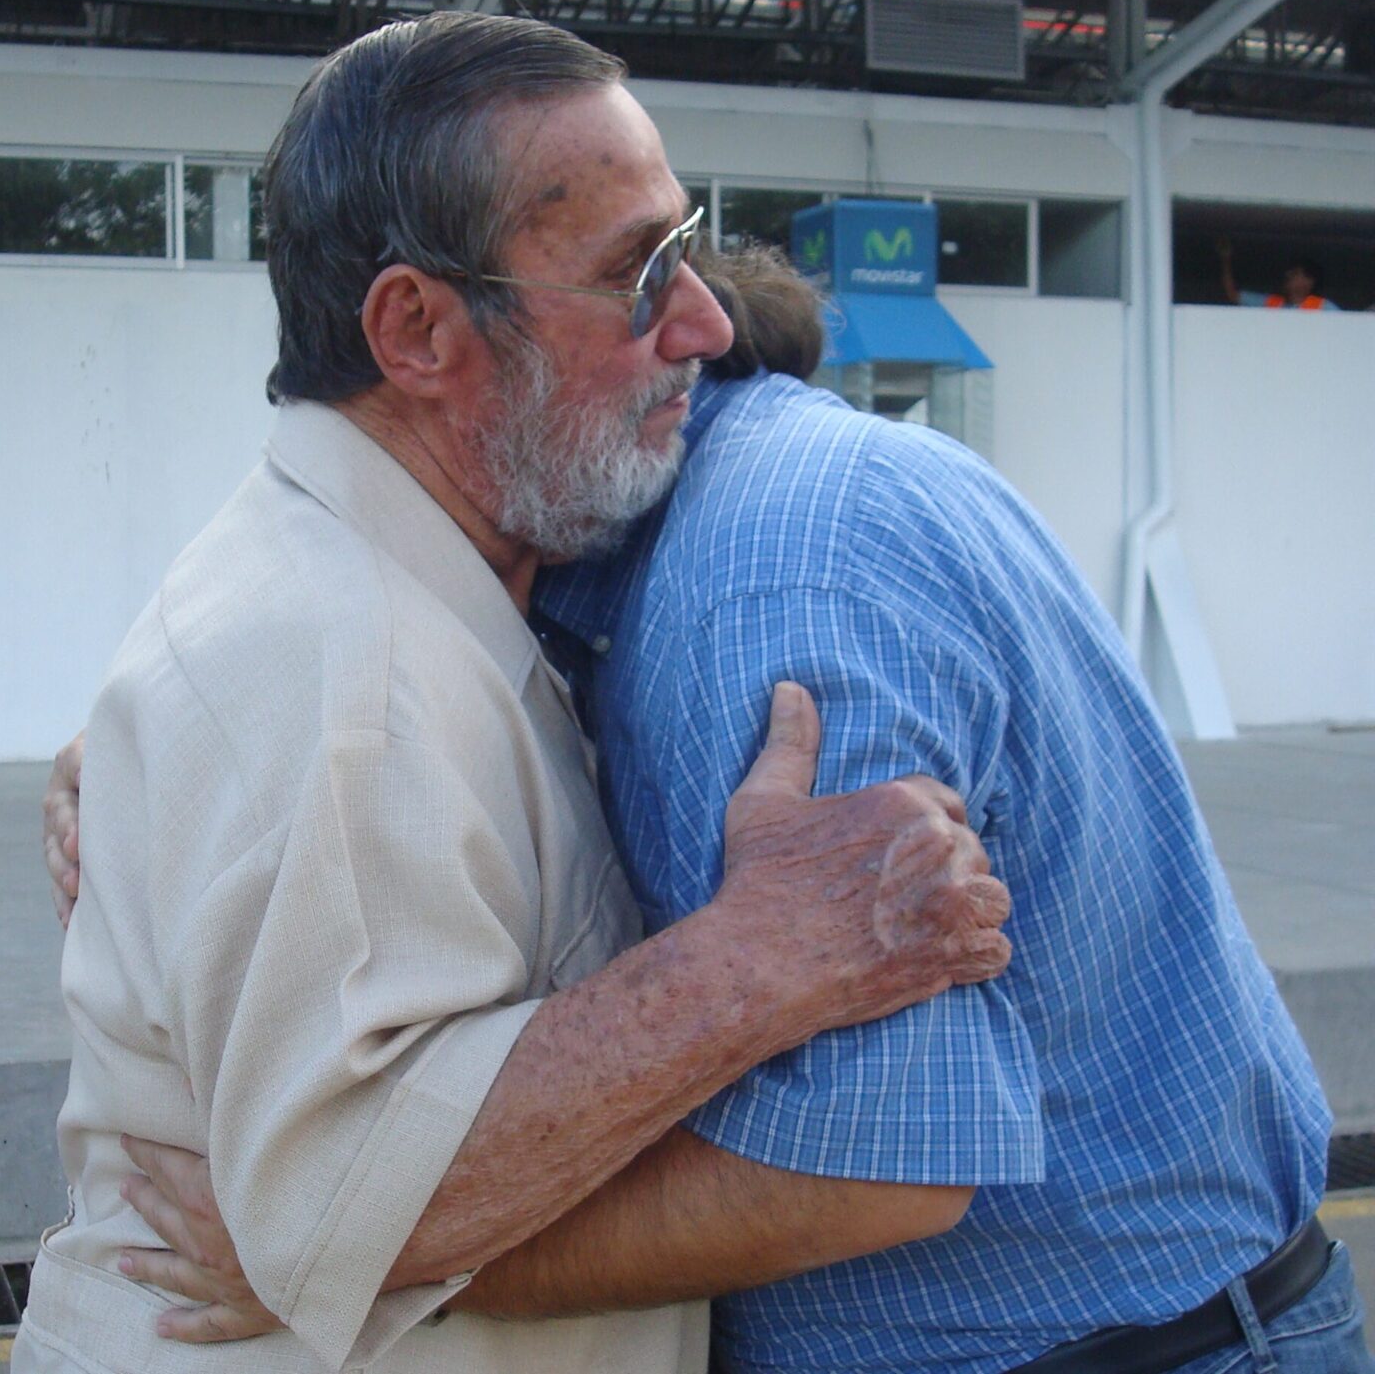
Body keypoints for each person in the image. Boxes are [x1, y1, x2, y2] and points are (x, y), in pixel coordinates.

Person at [79, 241, 1373, 1372]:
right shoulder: (673, 534)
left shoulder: (768, 583)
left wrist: (355, 1250)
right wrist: (169, 745)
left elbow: (874, 1162)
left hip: (1095, 1345)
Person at [13, 12, 1012, 1374]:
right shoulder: (337, 669)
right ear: (418, 328)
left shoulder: (412, 586)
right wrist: (766, 957)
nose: (707, 323)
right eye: (636, 273)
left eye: (688, 247)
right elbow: (337, 1208)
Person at [1218, 235, 1340, 310]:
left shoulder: (1323, 307)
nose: (1288, 275)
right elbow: (1233, 295)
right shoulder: (1273, 303)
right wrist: (1226, 259)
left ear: (1309, 281)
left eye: (1295, 273)